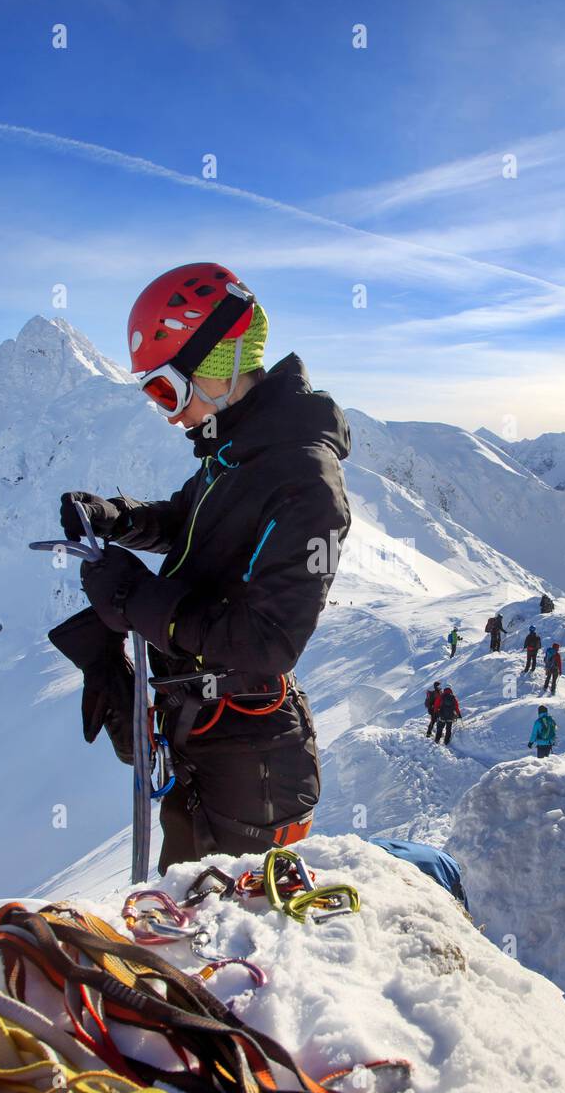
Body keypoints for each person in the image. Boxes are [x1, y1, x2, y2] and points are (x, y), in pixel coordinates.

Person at [53, 262, 351, 874]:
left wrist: (135, 597)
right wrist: (120, 517)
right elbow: (188, 521)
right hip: (207, 736)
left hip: (251, 765)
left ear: (220, 359)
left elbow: (269, 643)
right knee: (183, 928)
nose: (168, 413)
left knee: (230, 947)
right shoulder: (237, 452)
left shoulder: (302, 478)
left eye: (168, 389)